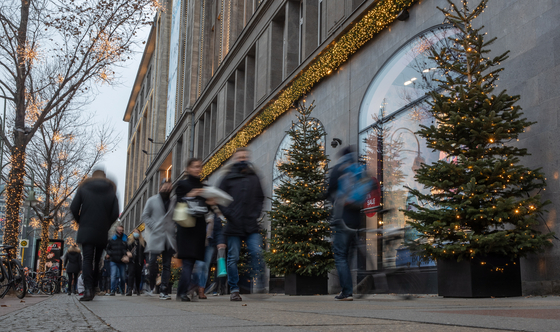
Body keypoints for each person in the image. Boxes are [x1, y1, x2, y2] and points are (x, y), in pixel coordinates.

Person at [218, 147, 265, 301]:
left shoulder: (254, 176)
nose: (243, 159)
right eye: (239, 157)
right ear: (234, 159)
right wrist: (229, 214)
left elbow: (260, 197)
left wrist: (256, 213)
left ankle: (257, 280)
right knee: (233, 258)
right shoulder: (227, 178)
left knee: (256, 252)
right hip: (233, 224)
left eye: (245, 156)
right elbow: (219, 198)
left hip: (251, 223)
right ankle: (234, 288)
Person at [70, 169, 119, 301]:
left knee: (87, 259)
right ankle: (95, 287)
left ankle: (87, 290)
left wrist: (81, 221)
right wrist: (106, 224)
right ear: (105, 177)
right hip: (101, 230)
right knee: (97, 261)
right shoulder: (111, 190)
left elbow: (74, 208)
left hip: (86, 229)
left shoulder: (84, 188)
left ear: (92, 177)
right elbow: (115, 213)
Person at [174, 158, 216, 302]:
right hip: (186, 228)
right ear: (188, 169)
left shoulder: (204, 186)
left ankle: (183, 290)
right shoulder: (182, 184)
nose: (198, 169)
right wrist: (190, 195)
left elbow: (206, 208)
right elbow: (178, 203)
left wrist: (211, 202)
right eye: (195, 167)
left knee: (194, 263)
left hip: (198, 229)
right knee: (188, 262)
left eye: (200, 167)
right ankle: (183, 292)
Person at [326, 146, 364, 301]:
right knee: (351, 254)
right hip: (358, 219)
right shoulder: (359, 169)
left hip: (342, 218)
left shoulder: (338, 169)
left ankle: (347, 292)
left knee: (341, 255)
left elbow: (329, 191)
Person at [141, 179, 176, 300]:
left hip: (168, 237)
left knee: (167, 265)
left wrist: (174, 228)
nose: (167, 188)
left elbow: (176, 216)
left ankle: (163, 290)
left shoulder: (173, 201)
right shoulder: (152, 200)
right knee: (152, 262)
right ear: (160, 188)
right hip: (156, 235)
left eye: (169, 186)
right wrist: (154, 226)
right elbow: (145, 215)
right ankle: (150, 284)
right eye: (165, 186)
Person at [192, 213, 226, 299]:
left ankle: (201, 290)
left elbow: (218, 229)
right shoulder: (198, 210)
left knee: (205, 267)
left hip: (209, 242)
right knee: (197, 265)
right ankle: (193, 286)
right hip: (196, 242)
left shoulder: (214, 214)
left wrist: (220, 241)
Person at [106, 225, 130, 296]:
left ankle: (122, 289)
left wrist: (126, 252)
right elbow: (107, 248)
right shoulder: (112, 238)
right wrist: (110, 253)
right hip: (113, 260)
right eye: (119, 230)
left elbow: (128, 248)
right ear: (117, 230)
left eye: (121, 230)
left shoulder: (125, 238)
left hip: (122, 260)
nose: (120, 232)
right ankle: (112, 290)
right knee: (113, 275)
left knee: (123, 276)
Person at [126, 229, 146, 296]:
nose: (136, 234)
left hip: (139, 261)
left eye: (137, 232)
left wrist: (147, 261)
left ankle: (137, 289)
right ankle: (129, 290)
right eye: (135, 232)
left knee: (138, 276)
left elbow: (145, 253)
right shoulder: (129, 241)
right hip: (131, 261)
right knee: (131, 275)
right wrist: (127, 252)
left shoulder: (143, 242)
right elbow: (125, 249)